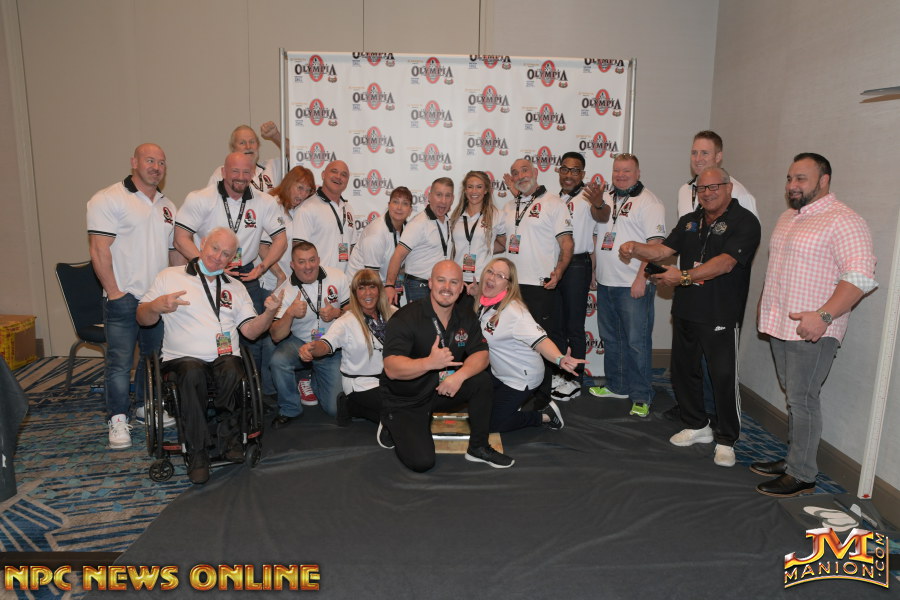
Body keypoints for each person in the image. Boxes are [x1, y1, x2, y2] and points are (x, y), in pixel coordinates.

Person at [619, 167, 761, 467]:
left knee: (723, 376)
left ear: (728, 188)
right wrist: (636, 248)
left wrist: (683, 276)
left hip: (720, 311)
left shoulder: (745, 221)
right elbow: (664, 250)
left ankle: (727, 439)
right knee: (683, 372)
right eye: (701, 188)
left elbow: (725, 263)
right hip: (686, 309)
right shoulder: (690, 220)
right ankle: (697, 425)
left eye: (714, 187)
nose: (707, 193)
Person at [753, 153, 876, 497]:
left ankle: (802, 474)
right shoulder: (788, 217)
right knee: (795, 398)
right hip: (781, 325)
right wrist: (765, 307)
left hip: (814, 332)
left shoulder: (844, 219)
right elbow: (778, 270)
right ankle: (794, 459)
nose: (792, 185)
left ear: (824, 180)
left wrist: (823, 316)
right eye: (789, 178)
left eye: (801, 179)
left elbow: (861, 277)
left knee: (803, 400)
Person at [136, 227, 282, 484]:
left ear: (232, 258)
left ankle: (229, 438)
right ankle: (198, 453)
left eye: (226, 254)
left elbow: (250, 332)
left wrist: (269, 313)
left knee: (234, 368)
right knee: (192, 373)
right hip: (181, 360)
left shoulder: (236, 287)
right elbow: (142, 318)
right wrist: (156, 306)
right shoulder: (170, 276)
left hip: (224, 359)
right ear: (203, 243)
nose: (218, 257)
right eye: (215, 248)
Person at [380, 260, 514, 471]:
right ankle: (390, 422)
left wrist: (458, 377)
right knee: (422, 462)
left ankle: (478, 447)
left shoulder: (466, 316)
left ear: (461, 288)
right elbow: (391, 368)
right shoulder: (406, 317)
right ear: (430, 283)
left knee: (481, 381)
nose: (447, 287)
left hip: (441, 388)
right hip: (407, 399)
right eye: (441, 280)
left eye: (453, 282)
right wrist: (429, 363)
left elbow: (481, 354)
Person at [175, 151, 288, 403]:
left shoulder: (264, 202)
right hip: (206, 274)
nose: (240, 176)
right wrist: (208, 264)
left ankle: (249, 398)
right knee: (208, 333)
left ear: (253, 174)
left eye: (246, 172)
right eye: (235, 171)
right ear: (224, 171)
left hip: (247, 274)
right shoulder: (201, 198)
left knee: (253, 338)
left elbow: (281, 239)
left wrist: (264, 266)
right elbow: (180, 238)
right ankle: (209, 395)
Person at [87, 143, 179, 449]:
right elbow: (98, 249)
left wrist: (177, 287)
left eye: (161, 162)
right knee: (120, 362)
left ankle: (143, 406)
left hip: (155, 301)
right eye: (150, 160)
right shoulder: (108, 198)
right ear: (134, 162)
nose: (156, 167)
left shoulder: (168, 206)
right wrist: (115, 292)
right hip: (122, 298)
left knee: (151, 360)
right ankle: (117, 419)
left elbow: (173, 253)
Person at [670, 130, 758, 423]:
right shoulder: (685, 191)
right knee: (687, 364)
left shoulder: (740, 197)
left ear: (719, 157)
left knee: (719, 368)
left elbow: (737, 253)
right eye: (694, 152)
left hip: (720, 298)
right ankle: (695, 415)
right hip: (689, 294)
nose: (698, 158)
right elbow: (678, 241)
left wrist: (685, 275)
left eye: (705, 153)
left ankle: (719, 422)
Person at [585, 153, 666, 418]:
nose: (620, 175)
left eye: (627, 171)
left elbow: (655, 246)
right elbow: (597, 238)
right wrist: (594, 270)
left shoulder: (649, 202)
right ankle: (617, 386)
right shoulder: (606, 198)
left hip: (632, 284)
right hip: (606, 282)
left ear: (638, 173)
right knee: (612, 339)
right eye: (617, 170)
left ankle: (642, 395)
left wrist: (642, 278)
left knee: (636, 342)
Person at [475, 257, 582, 433]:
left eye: (500, 276)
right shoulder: (485, 301)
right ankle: (509, 406)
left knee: (492, 424)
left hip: (520, 377)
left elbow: (541, 341)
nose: (492, 277)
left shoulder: (515, 312)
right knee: (477, 407)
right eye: (490, 271)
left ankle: (545, 416)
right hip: (499, 372)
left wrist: (560, 359)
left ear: (509, 285)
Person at [500, 158, 574, 407]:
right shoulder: (509, 206)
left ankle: (542, 399)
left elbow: (567, 243)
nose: (520, 175)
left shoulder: (554, 203)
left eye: (524, 170)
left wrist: (559, 271)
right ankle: (516, 392)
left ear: (535, 172)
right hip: (511, 287)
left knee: (542, 342)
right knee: (514, 342)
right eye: (515, 173)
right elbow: (501, 243)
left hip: (540, 286)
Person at [299, 269, 396, 426]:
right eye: (361, 288)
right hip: (361, 384)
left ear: (379, 290)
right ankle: (350, 404)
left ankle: (356, 409)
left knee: (409, 405)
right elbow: (326, 344)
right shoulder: (346, 321)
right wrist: (311, 348)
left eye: (372, 287)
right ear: (355, 293)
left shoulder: (393, 314)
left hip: (390, 380)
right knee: (396, 412)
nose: (367, 293)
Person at [269, 242, 350, 424]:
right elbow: (275, 335)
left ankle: (312, 379)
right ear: (292, 265)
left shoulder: (337, 276)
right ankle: (290, 408)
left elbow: (354, 312)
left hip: (331, 345)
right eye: (301, 262)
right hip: (300, 342)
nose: (308, 266)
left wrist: (337, 313)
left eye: (312, 260)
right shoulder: (284, 291)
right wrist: (290, 313)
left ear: (318, 260)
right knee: (278, 360)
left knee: (335, 409)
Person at [551, 152, 600, 402]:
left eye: (575, 170)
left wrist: (593, 270)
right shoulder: (554, 199)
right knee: (557, 324)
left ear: (583, 174)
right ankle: (561, 372)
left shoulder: (590, 199)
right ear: (559, 171)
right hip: (555, 265)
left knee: (574, 326)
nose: (569, 174)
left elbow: (601, 220)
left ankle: (575, 378)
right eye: (565, 169)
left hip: (578, 265)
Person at [385, 178, 455, 304]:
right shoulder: (419, 223)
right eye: (439, 195)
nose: (443, 201)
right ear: (429, 196)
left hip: (439, 286)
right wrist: (389, 285)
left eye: (447, 196)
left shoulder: (447, 221)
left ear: (453, 199)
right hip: (419, 287)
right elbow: (398, 255)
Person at [258, 165, 317, 293]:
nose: (303, 194)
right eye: (300, 188)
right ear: (289, 184)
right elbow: (262, 248)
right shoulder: (273, 205)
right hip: (270, 284)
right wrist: (280, 275)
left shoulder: (298, 210)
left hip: (288, 284)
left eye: (308, 190)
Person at [292, 160, 358, 272]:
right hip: (317, 279)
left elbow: (352, 248)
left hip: (343, 280)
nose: (338, 177)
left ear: (347, 181)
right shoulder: (307, 208)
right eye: (334, 171)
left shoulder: (348, 209)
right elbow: (299, 251)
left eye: (344, 175)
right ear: (323, 175)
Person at [448, 171, 506, 295]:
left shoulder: (497, 215)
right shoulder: (456, 215)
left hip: (482, 280)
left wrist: (487, 247)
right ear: (465, 190)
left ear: (486, 190)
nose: (474, 191)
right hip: (457, 279)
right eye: (470, 187)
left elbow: (503, 245)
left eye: (479, 187)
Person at [347, 187, 413, 285]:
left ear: (410, 210)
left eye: (405, 203)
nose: (399, 207)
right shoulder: (376, 233)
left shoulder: (408, 231)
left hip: (382, 285)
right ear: (389, 205)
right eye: (395, 202)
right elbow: (371, 275)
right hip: (360, 286)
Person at [208, 123, 285, 192]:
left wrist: (275, 136)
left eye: (252, 142)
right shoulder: (223, 173)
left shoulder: (272, 167)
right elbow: (209, 200)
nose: (248, 147)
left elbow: (292, 154)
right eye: (242, 143)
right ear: (233, 148)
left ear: (258, 145)